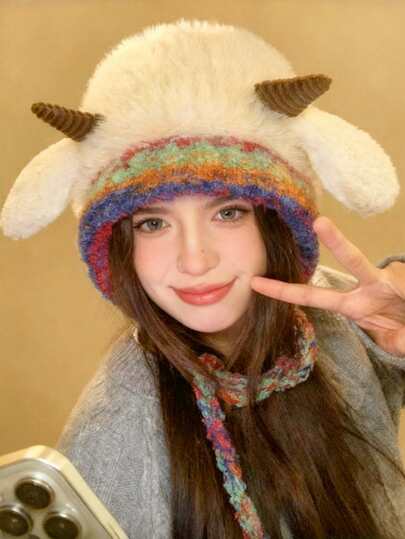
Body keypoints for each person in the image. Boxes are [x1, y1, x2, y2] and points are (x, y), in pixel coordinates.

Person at [1, 18, 405, 539]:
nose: (195, 260)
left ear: (273, 224)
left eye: (228, 213)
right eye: (153, 223)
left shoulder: (342, 313)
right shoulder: (117, 428)